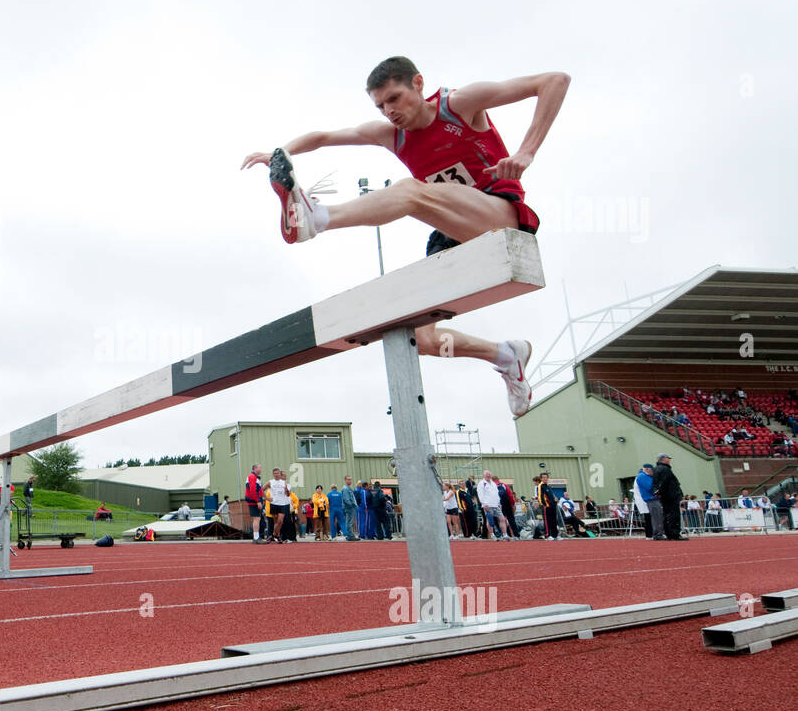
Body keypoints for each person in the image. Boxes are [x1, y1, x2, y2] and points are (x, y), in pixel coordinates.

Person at [241, 57, 570, 418]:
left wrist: (526, 152)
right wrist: (279, 154)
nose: (389, 112)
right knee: (424, 339)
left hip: (499, 216)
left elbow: (554, 80)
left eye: (394, 99)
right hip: (452, 234)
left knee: (411, 192)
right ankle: (506, 355)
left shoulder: (460, 105)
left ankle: (318, 218)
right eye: (380, 105)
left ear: (418, 84)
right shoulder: (391, 136)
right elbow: (323, 137)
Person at [635, 464, 663, 540]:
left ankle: (654, 534)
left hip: (649, 499)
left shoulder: (644, 476)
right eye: (652, 470)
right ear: (647, 469)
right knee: (652, 518)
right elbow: (650, 487)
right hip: (649, 499)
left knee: (653, 517)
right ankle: (653, 534)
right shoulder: (642, 477)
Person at [265, 469, 292, 544]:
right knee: (276, 522)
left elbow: (288, 495)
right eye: (275, 473)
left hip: (282, 504)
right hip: (273, 504)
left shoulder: (284, 482)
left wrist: (287, 491)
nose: (276, 474)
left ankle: (273, 535)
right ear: (273, 474)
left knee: (280, 521)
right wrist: (267, 498)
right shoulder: (270, 482)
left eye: (277, 473)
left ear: (280, 474)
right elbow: (261, 490)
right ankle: (278, 536)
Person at [477, 471, 506, 540]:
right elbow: (480, 494)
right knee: (490, 520)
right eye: (487, 475)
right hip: (488, 505)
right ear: (484, 476)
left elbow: (497, 494)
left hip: (496, 505)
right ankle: (492, 534)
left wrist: (499, 503)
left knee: (502, 519)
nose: (488, 476)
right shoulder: (482, 484)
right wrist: (484, 504)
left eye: (489, 474)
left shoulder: (493, 483)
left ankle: (505, 534)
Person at [245, 464, 264, 543]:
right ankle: (256, 538)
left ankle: (256, 537)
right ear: (255, 468)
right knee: (257, 518)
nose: (261, 469)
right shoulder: (252, 477)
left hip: (254, 500)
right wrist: (258, 501)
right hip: (254, 500)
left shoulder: (254, 477)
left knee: (257, 518)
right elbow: (253, 490)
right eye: (260, 467)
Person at [341, 475, 360, 540]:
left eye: (350, 479)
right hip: (349, 508)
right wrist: (352, 505)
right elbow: (346, 499)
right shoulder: (345, 489)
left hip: (350, 507)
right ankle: (350, 536)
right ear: (345, 480)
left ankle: (350, 535)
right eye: (348, 479)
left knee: (349, 522)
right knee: (349, 522)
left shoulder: (348, 488)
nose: (350, 481)